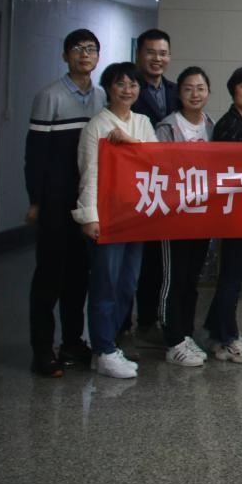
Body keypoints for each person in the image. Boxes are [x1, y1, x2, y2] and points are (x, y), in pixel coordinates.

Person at [25, 29, 106, 377]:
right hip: (55, 199)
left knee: (78, 274)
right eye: (77, 49)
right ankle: (42, 350)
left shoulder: (102, 96)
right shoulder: (50, 96)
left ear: (98, 57)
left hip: (86, 199)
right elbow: (35, 154)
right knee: (49, 275)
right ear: (65, 56)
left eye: (91, 49)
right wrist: (35, 200)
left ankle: (73, 342)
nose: (84, 54)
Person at [73, 62, 157, 379]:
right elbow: (89, 173)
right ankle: (104, 347)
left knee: (127, 284)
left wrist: (130, 143)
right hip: (107, 217)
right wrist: (89, 216)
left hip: (136, 215)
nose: (127, 90)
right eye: (120, 84)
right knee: (105, 284)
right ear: (109, 88)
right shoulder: (97, 125)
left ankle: (107, 346)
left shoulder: (142, 122)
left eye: (133, 84)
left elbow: (156, 160)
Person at [201, 67, 242, 364]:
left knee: (236, 274)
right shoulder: (228, 125)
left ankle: (216, 330)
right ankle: (227, 339)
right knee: (231, 276)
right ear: (233, 90)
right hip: (235, 211)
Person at [153, 67, 216, 368]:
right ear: (179, 93)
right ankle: (172, 339)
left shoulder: (212, 126)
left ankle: (187, 334)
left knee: (192, 279)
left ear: (208, 93)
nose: (195, 94)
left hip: (201, 216)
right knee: (173, 279)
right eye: (188, 88)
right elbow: (156, 169)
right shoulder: (166, 127)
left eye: (200, 88)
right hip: (173, 216)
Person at [129, 28, 179, 344]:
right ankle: (130, 324)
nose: (157, 59)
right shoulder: (128, 88)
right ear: (139, 55)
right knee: (137, 259)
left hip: (169, 188)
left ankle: (155, 319)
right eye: (151, 52)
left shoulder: (176, 91)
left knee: (161, 260)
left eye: (162, 53)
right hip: (137, 184)